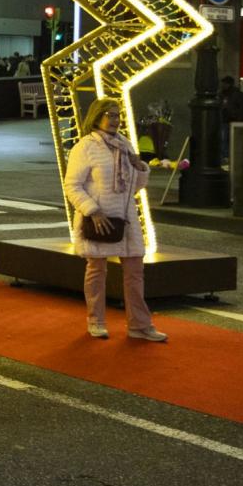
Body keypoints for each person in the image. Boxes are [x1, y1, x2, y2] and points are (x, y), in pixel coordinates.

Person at [62, 97, 167, 342]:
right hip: (100, 216)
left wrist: (139, 167)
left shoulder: (125, 145)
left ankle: (139, 325)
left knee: (135, 270)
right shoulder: (85, 146)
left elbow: (135, 187)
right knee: (97, 269)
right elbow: (73, 185)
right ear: (97, 116)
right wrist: (92, 210)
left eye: (118, 115)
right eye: (110, 114)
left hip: (126, 215)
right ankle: (96, 320)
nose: (115, 120)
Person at [218, 76, 243, 160]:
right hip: (227, 120)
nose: (223, 85)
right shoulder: (222, 94)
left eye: (225, 83)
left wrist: (238, 118)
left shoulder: (236, 94)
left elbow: (242, 108)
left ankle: (227, 156)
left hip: (233, 120)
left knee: (227, 139)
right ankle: (226, 156)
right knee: (225, 139)